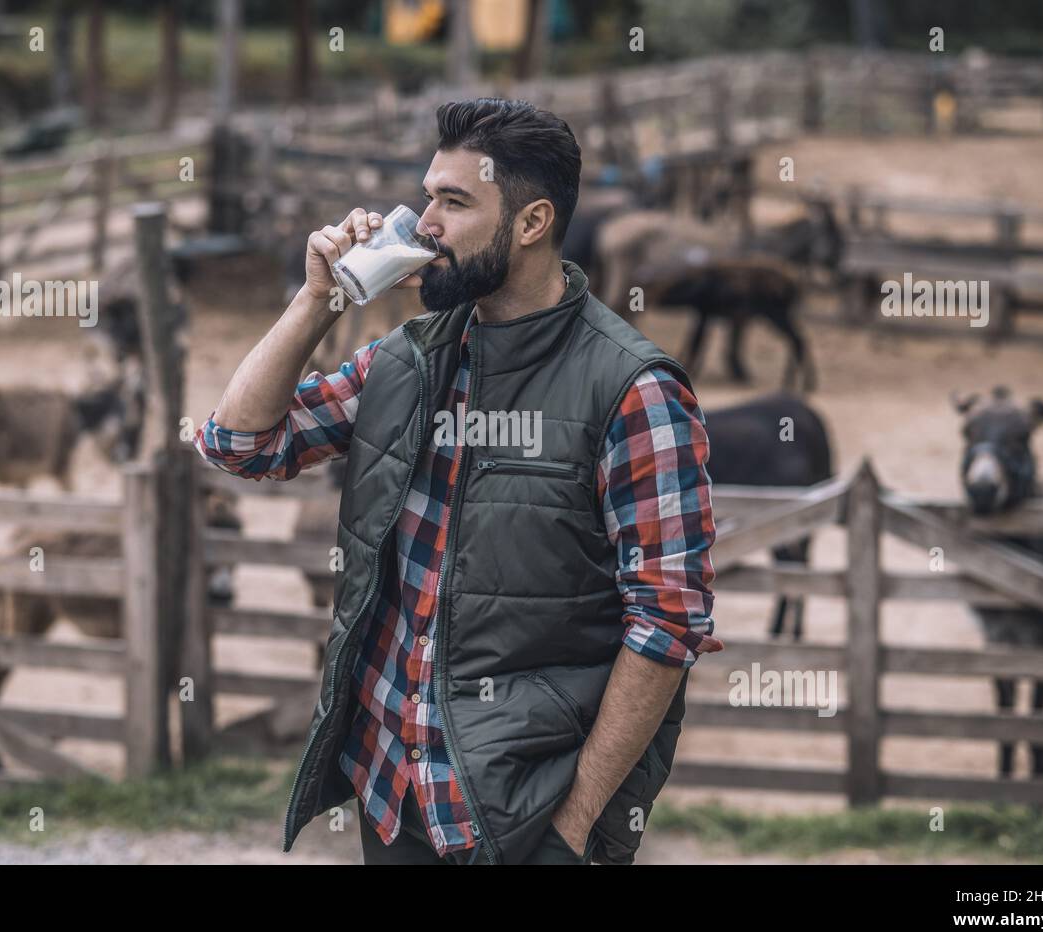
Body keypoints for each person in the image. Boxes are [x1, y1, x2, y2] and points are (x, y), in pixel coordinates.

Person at [195, 98, 722, 865]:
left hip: (524, 819)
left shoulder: (633, 389)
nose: (421, 223)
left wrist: (573, 827)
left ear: (532, 223)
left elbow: (667, 624)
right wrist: (321, 298)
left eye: (453, 202)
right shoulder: (403, 360)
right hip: (392, 798)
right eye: (427, 195)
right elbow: (239, 443)